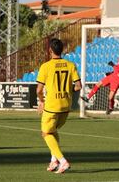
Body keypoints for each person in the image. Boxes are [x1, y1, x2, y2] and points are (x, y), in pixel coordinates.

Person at [36, 38, 82, 174]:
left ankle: (63, 161)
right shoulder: (70, 65)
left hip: (52, 106)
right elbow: (78, 86)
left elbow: (38, 90)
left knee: (45, 133)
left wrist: (41, 101)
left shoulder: (45, 66)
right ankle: (53, 161)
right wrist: (68, 90)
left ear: (50, 50)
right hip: (66, 106)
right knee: (53, 131)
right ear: (62, 50)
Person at [81, 49, 119, 114]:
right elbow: (117, 69)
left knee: (110, 97)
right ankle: (88, 97)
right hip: (112, 75)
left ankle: (111, 108)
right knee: (98, 84)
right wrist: (111, 72)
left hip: (117, 79)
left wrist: (113, 65)